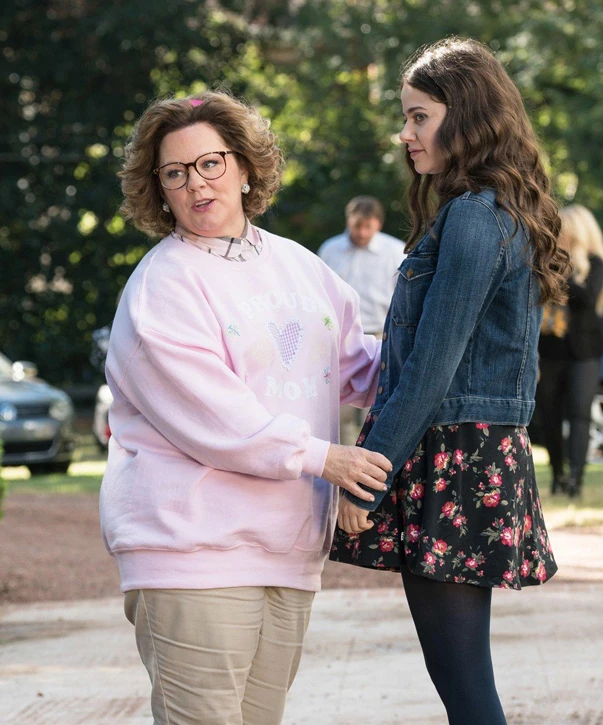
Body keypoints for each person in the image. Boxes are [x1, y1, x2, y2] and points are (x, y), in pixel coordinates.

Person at [99, 90, 392, 725]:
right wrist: (325, 458)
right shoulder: (163, 285)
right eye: (174, 173)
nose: (195, 183)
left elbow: (359, 367)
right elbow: (213, 415)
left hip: (290, 547)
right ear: (159, 190)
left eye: (210, 163)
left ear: (244, 167)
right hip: (190, 549)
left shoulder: (301, 266)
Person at [330, 37, 570, 725]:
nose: (405, 134)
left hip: (454, 460)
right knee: (466, 687)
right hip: (474, 455)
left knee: (467, 693)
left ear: (465, 117)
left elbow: (433, 365)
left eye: (419, 117)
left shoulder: (472, 217)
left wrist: (367, 478)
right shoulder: (498, 211)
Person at [537, 204, 603, 497]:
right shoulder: (547, 261)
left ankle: (576, 480)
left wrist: (568, 269)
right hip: (550, 350)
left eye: (566, 232)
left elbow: (586, 299)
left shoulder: (596, 263)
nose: (560, 237)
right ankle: (558, 474)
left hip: (585, 352)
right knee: (550, 415)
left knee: (581, 412)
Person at [318, 196, 405, 443]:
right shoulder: (330, 250)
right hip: (341, 339)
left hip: (381, 336)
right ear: (348, 221)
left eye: (367, 226)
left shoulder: (395, 252)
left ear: (378, 224)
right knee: (340, 411)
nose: (362, 232)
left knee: (377, 408)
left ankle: (371, 460)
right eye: (357, 225)